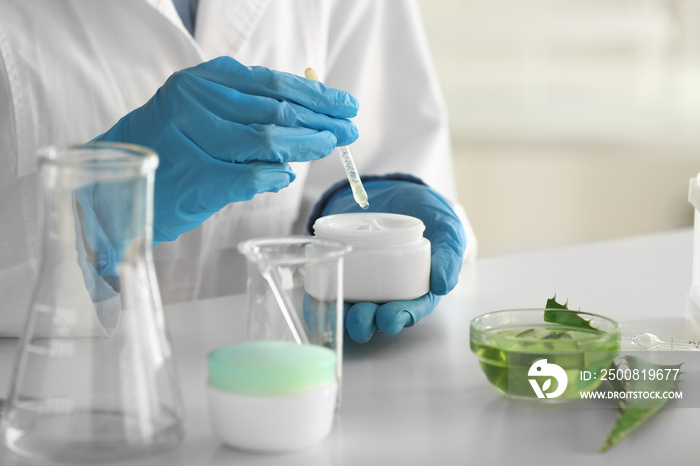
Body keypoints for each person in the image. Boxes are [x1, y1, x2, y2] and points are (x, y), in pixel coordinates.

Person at [0, 0, 476, 342]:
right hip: (61, 413)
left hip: (283, 404)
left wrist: (352, 204)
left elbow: (382, 145)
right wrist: (89, 214)